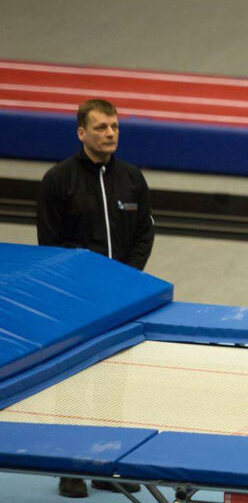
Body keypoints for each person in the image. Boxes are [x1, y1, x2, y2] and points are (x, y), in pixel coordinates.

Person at [36, 99, 154, 499]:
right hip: (73, 301)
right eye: (101, 127)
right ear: (81, 133)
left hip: (119, 298)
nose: (110, 134)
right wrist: (76, 289)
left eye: (115, 127)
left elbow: (144, 234)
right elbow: (48, 245)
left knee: (113, 382)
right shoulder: (58, 180)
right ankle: (70, 467)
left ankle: (104, 464)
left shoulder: (133, 178)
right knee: (73, 382)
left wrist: (125, 279)